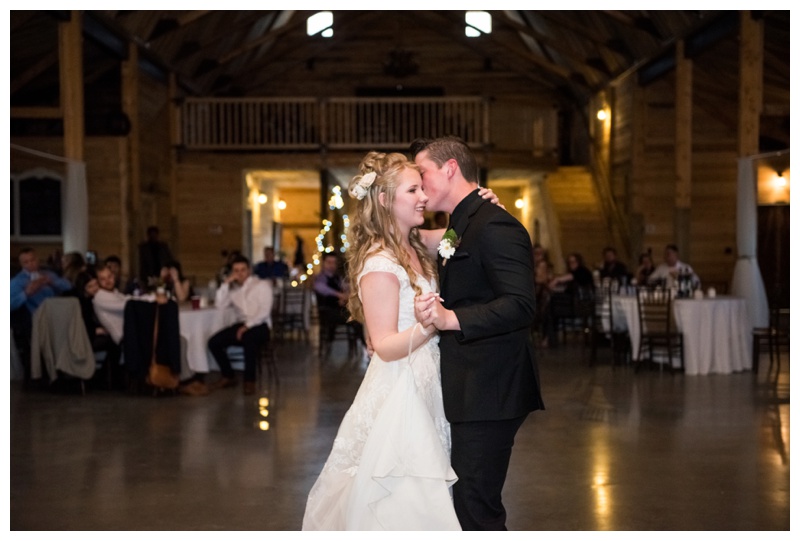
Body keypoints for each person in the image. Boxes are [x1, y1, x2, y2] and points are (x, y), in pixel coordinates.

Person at [303, 151, 461, 530]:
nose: (423, 196)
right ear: (386, 200)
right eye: (413, 189)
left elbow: (453, 236)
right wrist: (431, 323)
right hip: (400, 386)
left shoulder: (413, 242)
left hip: (426, 375)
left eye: (422, 187)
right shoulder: (379, 263)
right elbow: (385, 345)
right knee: (404, 495)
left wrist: (475, 206)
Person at [411, 136, 544, 530]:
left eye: (423, 175)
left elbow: (522, 305)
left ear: (450, 168)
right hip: (471, 386)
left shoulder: (496, 224)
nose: (420, 186)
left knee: (476, 506)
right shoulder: (463, 223)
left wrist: (452, 319)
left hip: (492, 388)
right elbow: (409, 237)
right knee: (465, 502)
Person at [207, 254, 272, 396]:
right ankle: (228, 375)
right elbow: (220, 305)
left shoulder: (261, 285)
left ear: (249, 270)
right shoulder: (233, 291)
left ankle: (250, 381)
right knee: (213, 342)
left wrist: (247, 326)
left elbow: (264, 312)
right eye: (236, 271)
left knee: (249, 339)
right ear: (232, 273)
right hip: (241, 324)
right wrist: (225, 284)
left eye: (243, 270)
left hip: (260, 325)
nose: (240, 273)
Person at [11, 247, 73, 376]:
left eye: (32, 260)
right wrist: (26, 293)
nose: (30, 264)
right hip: (35, 318)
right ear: (22, 264)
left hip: (57, 314)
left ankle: (68, 368)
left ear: (37, 260)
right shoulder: (17, 282)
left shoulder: (48, 274)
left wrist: (52, 282)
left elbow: (69, 286)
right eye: (26, 262)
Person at [313, 252, 363, 347]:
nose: (332, 265)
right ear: (323, 263)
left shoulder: (337, 277)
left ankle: (363, 347)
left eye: (334, 262)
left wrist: (345, 295)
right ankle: (365, 347)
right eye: (329, 262)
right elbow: (320, 287)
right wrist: (338, 295)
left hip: (338, 309)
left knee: (356, 316)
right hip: (327, 312)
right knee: (355, 320)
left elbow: (344, 288)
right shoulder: (321, 278)